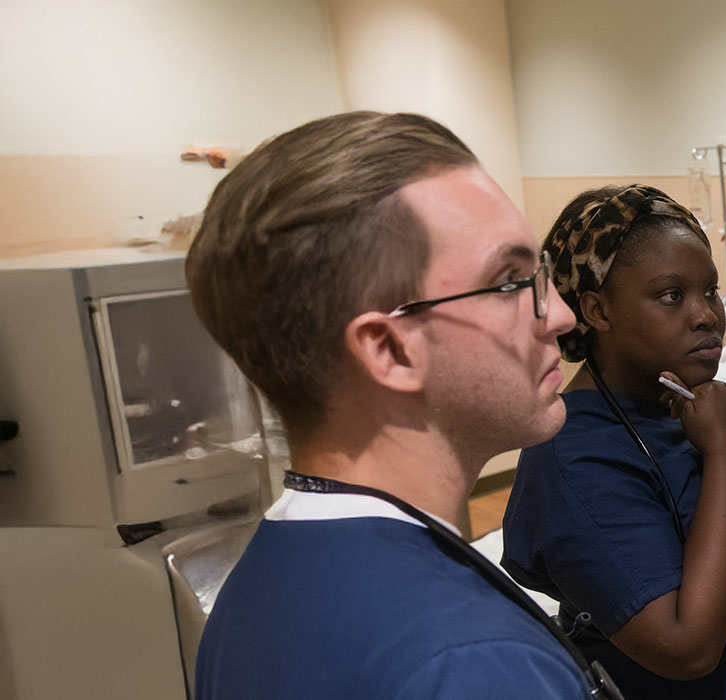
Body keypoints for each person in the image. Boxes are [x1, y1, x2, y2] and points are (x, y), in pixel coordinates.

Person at [186, 111, 612, 698]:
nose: (560, 316)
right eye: (512, 282)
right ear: (389, 349)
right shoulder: (474, 665)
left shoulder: (249, 599)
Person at [502, 185, 726, 699]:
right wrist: (725, 451)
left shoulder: (684, 407)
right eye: (670, 295)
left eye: (710, 290)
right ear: (597, 311)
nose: (708, 314)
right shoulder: (575, 457)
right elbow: (687, 647)